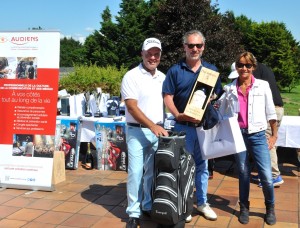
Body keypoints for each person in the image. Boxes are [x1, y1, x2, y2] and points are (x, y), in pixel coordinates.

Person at [162, 30, 222, 222]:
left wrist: (213, 97)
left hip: (204, 127)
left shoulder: (211, 70)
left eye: (198, 45)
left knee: (203, 167)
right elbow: (167, 96)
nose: (194, 49)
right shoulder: (175, 70)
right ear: (184, 47)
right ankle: (185, 204)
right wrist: (177, 114)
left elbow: (217, 94)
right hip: (183, 126)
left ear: (203, 47)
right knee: (184, 167)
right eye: (190, 45)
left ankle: (203, 203)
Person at [218, 52, 277, 225]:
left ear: (253, 67)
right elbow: (222, 112)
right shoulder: (229, 88)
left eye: (248, 65)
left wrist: (274, 135)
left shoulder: (263, 86)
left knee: (266, 174)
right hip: (239, 135)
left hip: (258, 135)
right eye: (241, 65)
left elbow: (271, 112)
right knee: (243, 173)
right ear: (236, 67)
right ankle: (244, 207)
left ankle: (270, 207)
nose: (244, 68)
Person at [121, 37, 169, 228]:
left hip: (156, 131)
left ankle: (147, 205)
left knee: (151, 173)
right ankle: (133, 212)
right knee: (135, 172)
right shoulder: (131, 76)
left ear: (160, 56)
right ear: (142, 53)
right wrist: (152, 126)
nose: (152, 57)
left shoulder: (163, 77)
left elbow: (171, 102)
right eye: (149, 53)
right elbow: (132, 107)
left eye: (156, 53)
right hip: (137, 132)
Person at [252, 62, 284, 187]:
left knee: (267, 144)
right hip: (278, 108)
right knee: (270, 142)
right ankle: (265, 173)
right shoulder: (265, 68)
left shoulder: (255, 70)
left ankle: (274, 176)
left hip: (271, 111)